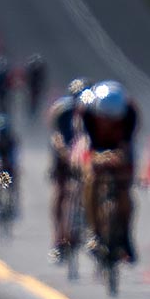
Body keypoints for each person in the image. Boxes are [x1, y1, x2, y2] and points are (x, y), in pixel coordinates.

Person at [77, 80, 140, 264]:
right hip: (96, 147)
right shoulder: (86, 113)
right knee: (91, 181)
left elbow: (127, 145)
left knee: (124, 189)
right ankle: (94, 232)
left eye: (113, 119)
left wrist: (120, 157)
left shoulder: (130, 113)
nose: (107, 123)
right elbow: (86, 145)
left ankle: (126, 235)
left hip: (118, 148)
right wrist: (96, 159)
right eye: (104, 118)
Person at [47, 78, 91, 263]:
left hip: (87, 157)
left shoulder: (95, 112)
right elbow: (56, 136)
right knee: (61, 193)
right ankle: (58, 239)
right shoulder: (62, 112)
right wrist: (63, 152)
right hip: (65, 156)